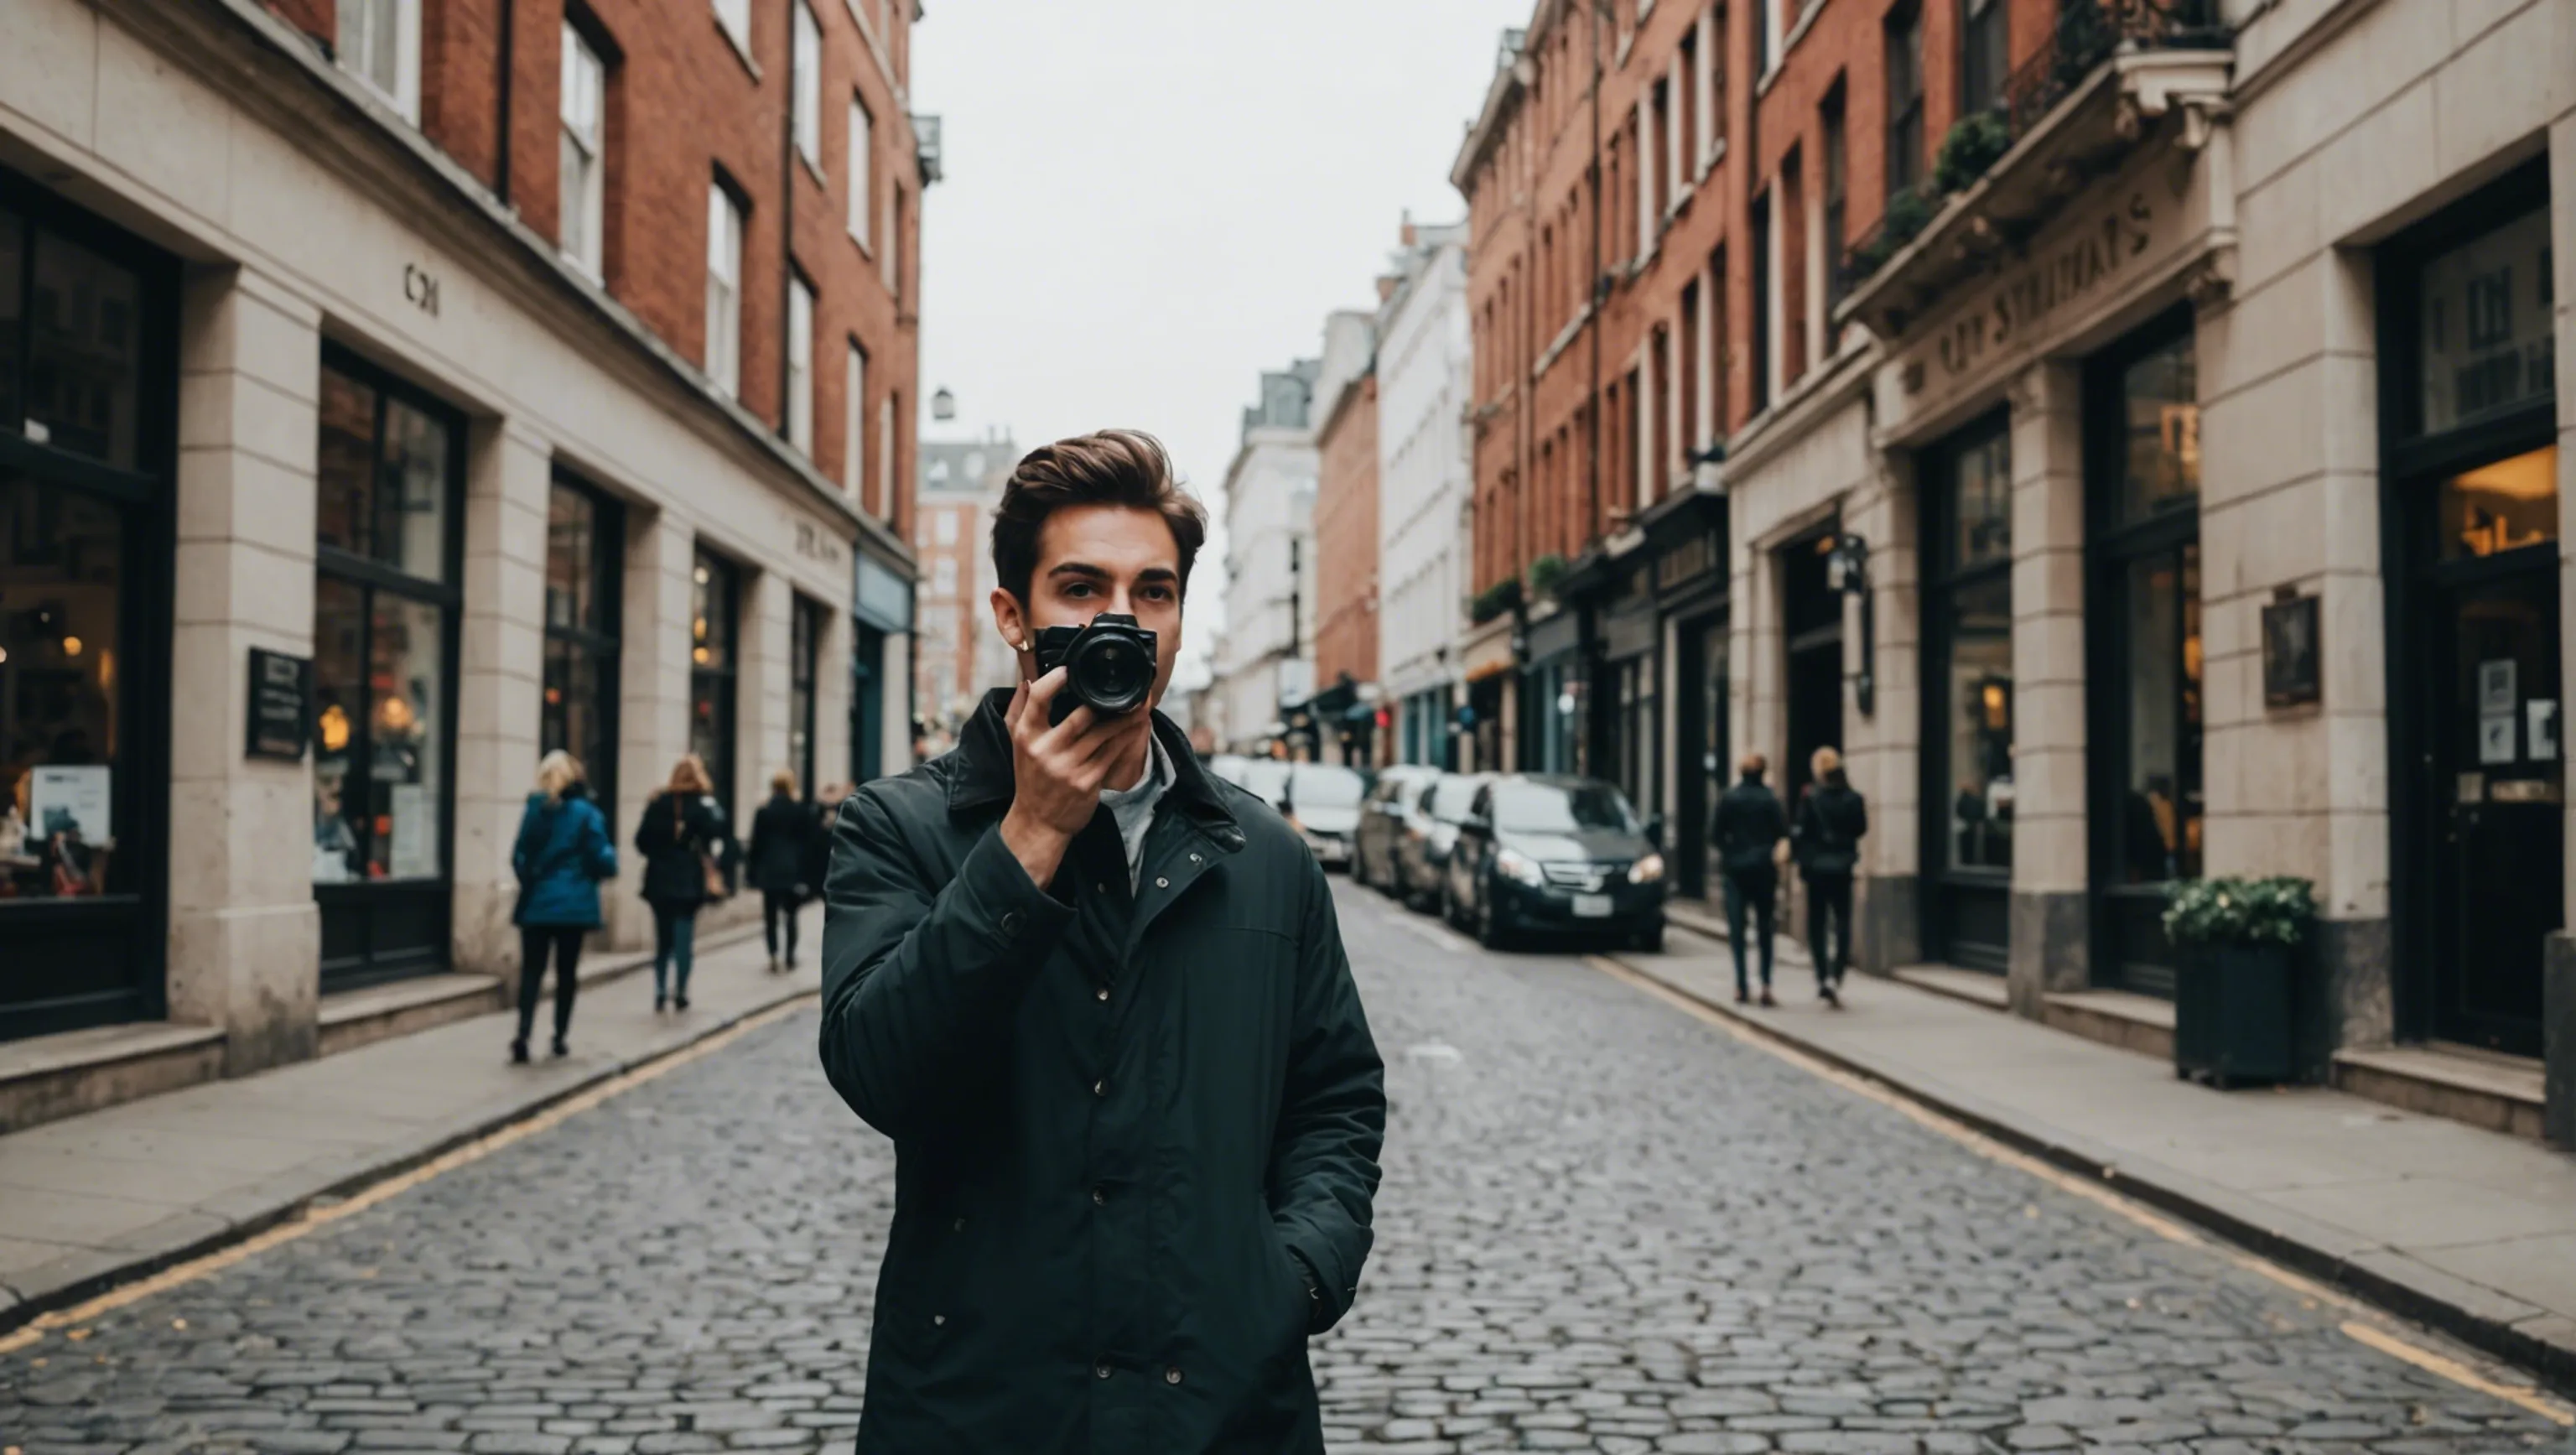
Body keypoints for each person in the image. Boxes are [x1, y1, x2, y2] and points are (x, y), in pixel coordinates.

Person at [819, 429, 1385, 1453]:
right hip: (979, 1408)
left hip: (1220, 1409)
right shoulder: (897, 829)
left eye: (1153, 591)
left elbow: (1336, 1097)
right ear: (1014, 617)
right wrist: (1028, 836)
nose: (1120, 620)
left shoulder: (1266, 855)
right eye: (1081, 588)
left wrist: (1295, 1274)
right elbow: (880, 1073)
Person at [509, 750, 616, 1062]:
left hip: (538, 903)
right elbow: (603, 859)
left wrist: (532, 881)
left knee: (532, 972)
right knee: (566, 973)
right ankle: (559, 1037)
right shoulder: (586, 813)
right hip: (574, 905)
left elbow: (519, 856)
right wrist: (596, 873)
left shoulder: (534, 810)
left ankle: (523, 1034)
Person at [635, 754, 729, 1012]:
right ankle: (682, 991)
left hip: (659, 879)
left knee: (662, 938)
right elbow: (718, 833)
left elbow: (641, 842)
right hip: (688, 879)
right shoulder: (702, 806)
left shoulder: (659, 803)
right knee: (684, 939)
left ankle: (660, 989)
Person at [1710, 750, 1788, 1007]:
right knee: (1765, 929)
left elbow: (1715, 835)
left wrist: (1731, 851)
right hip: (1764, 870)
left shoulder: (1729, 798)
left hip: (1736, 871)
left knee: (1738, 930)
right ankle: (1766, 983)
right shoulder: (1769, 799)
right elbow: (1782, 832)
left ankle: (1741, 985)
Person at [1792, 746, 1868, 1007]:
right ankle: (1837, 973)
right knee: (1843, 920)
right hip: (1842, 867)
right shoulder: (1854, 798)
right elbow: (1861, 829)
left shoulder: (1811, 797)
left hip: (1816, 869)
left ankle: (1822, 976)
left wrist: (1802, 858)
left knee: (1817, 923)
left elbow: (1800, 833)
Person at [745, 769, 819, 972]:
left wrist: (751, 873)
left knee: (770, 917)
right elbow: (809, 844)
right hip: (792, 870)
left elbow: (755, 845)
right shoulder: (801, 811)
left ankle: (773, 955)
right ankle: (790, 955)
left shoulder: (764, 812)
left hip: (769, 870)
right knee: (791, 915)